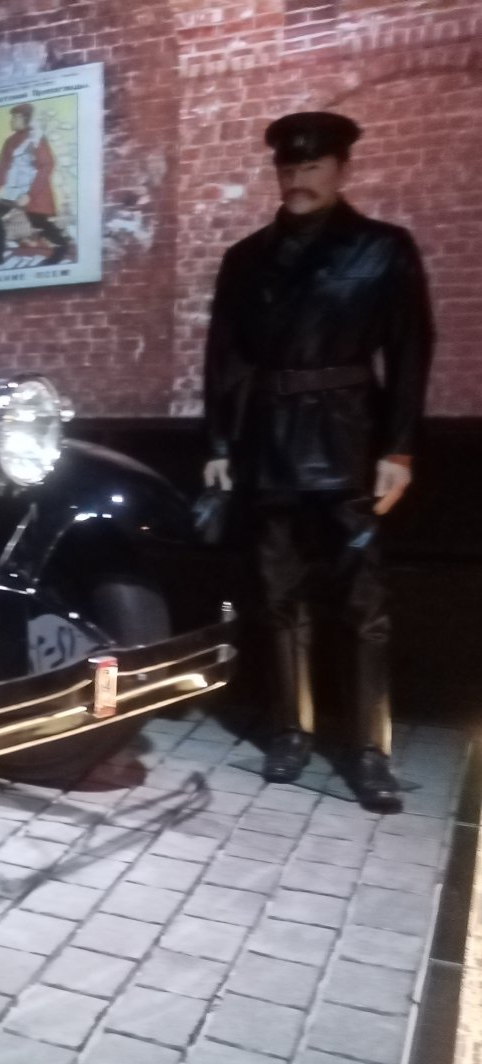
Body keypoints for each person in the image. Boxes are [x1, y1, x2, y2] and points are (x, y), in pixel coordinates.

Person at [203, 111, 435, 813]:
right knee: (277, 596)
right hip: (270, 443)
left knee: (364, 606)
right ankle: (291, 730)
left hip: (350, 443)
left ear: (341, 169)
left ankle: (369, 749)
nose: (298, 178)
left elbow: (411, 352)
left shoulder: (382, 249)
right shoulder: (246, 259)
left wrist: (398, 447)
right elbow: (226, 358)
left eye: (311, 166)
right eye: (289, 167)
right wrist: (220, 445)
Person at [0, 103, 72, 267]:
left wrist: (30, 195)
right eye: (12, 117)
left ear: (24, 119)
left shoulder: (36, 138)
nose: (11, 121)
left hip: (34, 191)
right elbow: (1, 171)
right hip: (14, 190)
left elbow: (48, 165)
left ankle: (62, 246)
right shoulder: (9, 142)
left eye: (15, 118)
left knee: (38, 221)